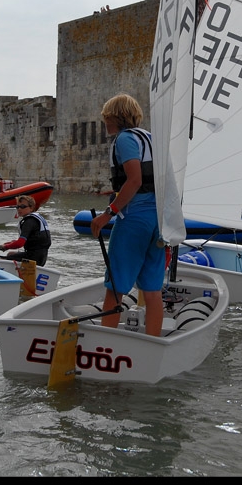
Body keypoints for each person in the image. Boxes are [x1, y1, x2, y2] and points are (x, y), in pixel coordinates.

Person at [89, 94, 165, 336]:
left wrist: (108, 213)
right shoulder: (151, 138)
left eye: (106, 117)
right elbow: (150, 180)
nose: (104, 122)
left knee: (116, 286)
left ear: (117, 117)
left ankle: (105, 343)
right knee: (152, 290)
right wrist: (116, 191)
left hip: (134, 219)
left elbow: (135, 179)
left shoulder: (124, 139)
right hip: (158, 220)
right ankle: (153, 344)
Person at [0, 194, 52, 266]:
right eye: (18, 207)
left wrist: (5, 247)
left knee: (8, 257)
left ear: (31, 208)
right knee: (11, 254)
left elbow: (20, 243)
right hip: (41, 257)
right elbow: (28, 240)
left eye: (23, 206)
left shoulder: (29, 222)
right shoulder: (35, 219)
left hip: (34, 258)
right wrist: (10, 243)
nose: (19, 209)